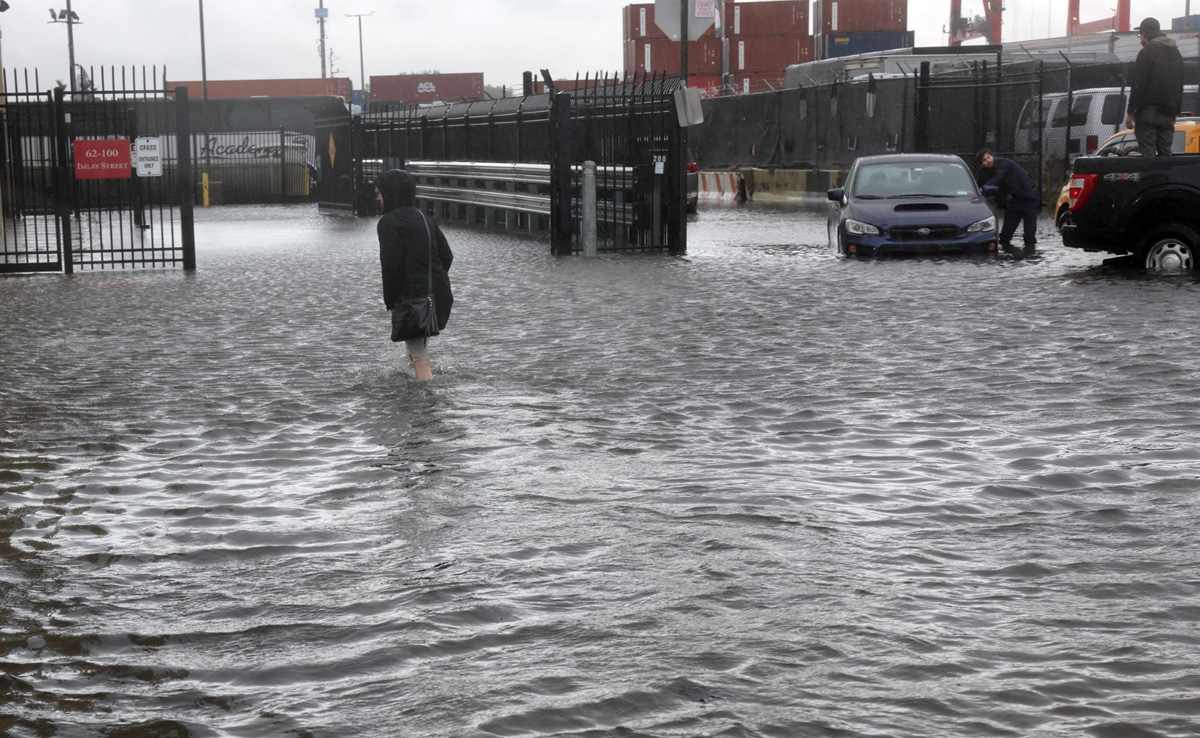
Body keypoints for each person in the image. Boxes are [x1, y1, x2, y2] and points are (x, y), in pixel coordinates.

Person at [376, 169, 454, 382]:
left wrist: (391, 299)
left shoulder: (389, 222)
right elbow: (446, 256)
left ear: (392, 193)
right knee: (417, 345)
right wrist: (431, 283)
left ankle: (426, 403)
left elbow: (391, 266)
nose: (378, 197)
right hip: (436, 295)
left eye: (380, 192)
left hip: (415, 299)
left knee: (419, 354)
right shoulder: (425, 218)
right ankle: (413, 393)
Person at [1125, 17, 1184, 157]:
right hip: (1168, 112)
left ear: (1146, 33)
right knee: (1165, 154)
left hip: (1148, 112)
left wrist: (1131, 112)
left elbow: (1138, 84)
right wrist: (1176, 110)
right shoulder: (1176, 53)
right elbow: (1179, 84)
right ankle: (1167, 178)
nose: (1141, 38)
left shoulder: (1147, 52)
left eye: (1140, 34)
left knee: (1148, 154)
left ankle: (1150, 178)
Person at [975, 148, 1039, 255]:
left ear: (993, 156)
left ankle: (1031, 258)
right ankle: (1006, 257)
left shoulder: (1005, 163)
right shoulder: (984, 173)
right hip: (1015, 200)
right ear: (981, 164)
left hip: (1030, 197)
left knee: (1029, 235)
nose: (988, 161)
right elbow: (980, 186)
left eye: (989, 157)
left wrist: (984, 188)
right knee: (1005, 236)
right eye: (984, 160)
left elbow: (998, 178)